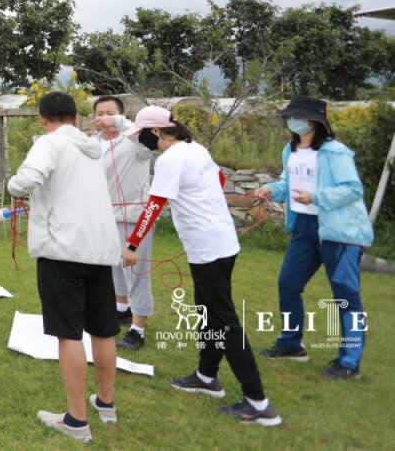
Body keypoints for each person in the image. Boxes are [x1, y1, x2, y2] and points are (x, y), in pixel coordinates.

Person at [121, 106, 281, 427]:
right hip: (221, 245)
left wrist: (132, 244)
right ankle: (207, 376)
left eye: (141, 136)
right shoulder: (195, 149)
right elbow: (219, 178)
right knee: (207, 312)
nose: (141, 142)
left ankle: (258, 402)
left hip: (209, 249)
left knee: (224, 322)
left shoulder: (169, 160)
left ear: (155, 133)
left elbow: (154, 205)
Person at [7, 92, 120, 443]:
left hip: (63, 250)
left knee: (68, 332)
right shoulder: (94, 148)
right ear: (75, 116)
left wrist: (14, 186)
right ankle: (105, 402)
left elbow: (25, 180)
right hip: (100, 248)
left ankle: (76, 420)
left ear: (43, 119)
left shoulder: (49, 143)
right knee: (103, 328)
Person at [253, 95, 372, 379]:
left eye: (296, 117)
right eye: (289, 118)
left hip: (339, 231)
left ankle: (349, 361)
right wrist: (271, 189)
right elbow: (287, 184)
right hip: (304, 229)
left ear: (314, 121)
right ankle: (291, 344)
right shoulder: (290, 149)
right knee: (288, 284)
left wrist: (316, 196)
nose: (291, 122)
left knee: (345, 296)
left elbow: (352, 189)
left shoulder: (335, 152)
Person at [90, 95, 155, 351]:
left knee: (136, 271)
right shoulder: (92, 144)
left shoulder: (134, 141)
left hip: (133, 217)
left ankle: (138, 329)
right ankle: (122, 307)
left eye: (109, 113)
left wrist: (119, 122)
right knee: (113, 266)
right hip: (104, 216)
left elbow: (150, 143)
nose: (103, 118)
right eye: (99, 113)